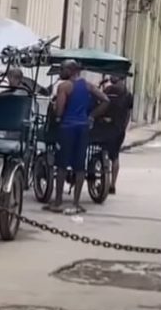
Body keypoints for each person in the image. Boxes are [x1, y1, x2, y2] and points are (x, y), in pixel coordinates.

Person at [49, 60, 109, 215]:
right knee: (79, 166)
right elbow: (105, 100)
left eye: (62, 68)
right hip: (82, 128)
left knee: (62, 165)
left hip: (67, 128)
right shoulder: (88, 86)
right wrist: (91, 117)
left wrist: (55, 107)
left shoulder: (64, 87)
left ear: (70, 70)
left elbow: (59, 112)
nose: (60, 71)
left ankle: (58, 201)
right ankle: (76, 203)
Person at [100, 74, 135, 194]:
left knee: (105, 153)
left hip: (106, 128)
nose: (111, 77)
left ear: (120, 78)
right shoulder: (128, 94)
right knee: (115, 156)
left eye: (114, 75)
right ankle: (112, 184)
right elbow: (128, 114)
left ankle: (108, 181)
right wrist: (124, 127)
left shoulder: (108, 90)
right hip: (118, 129)